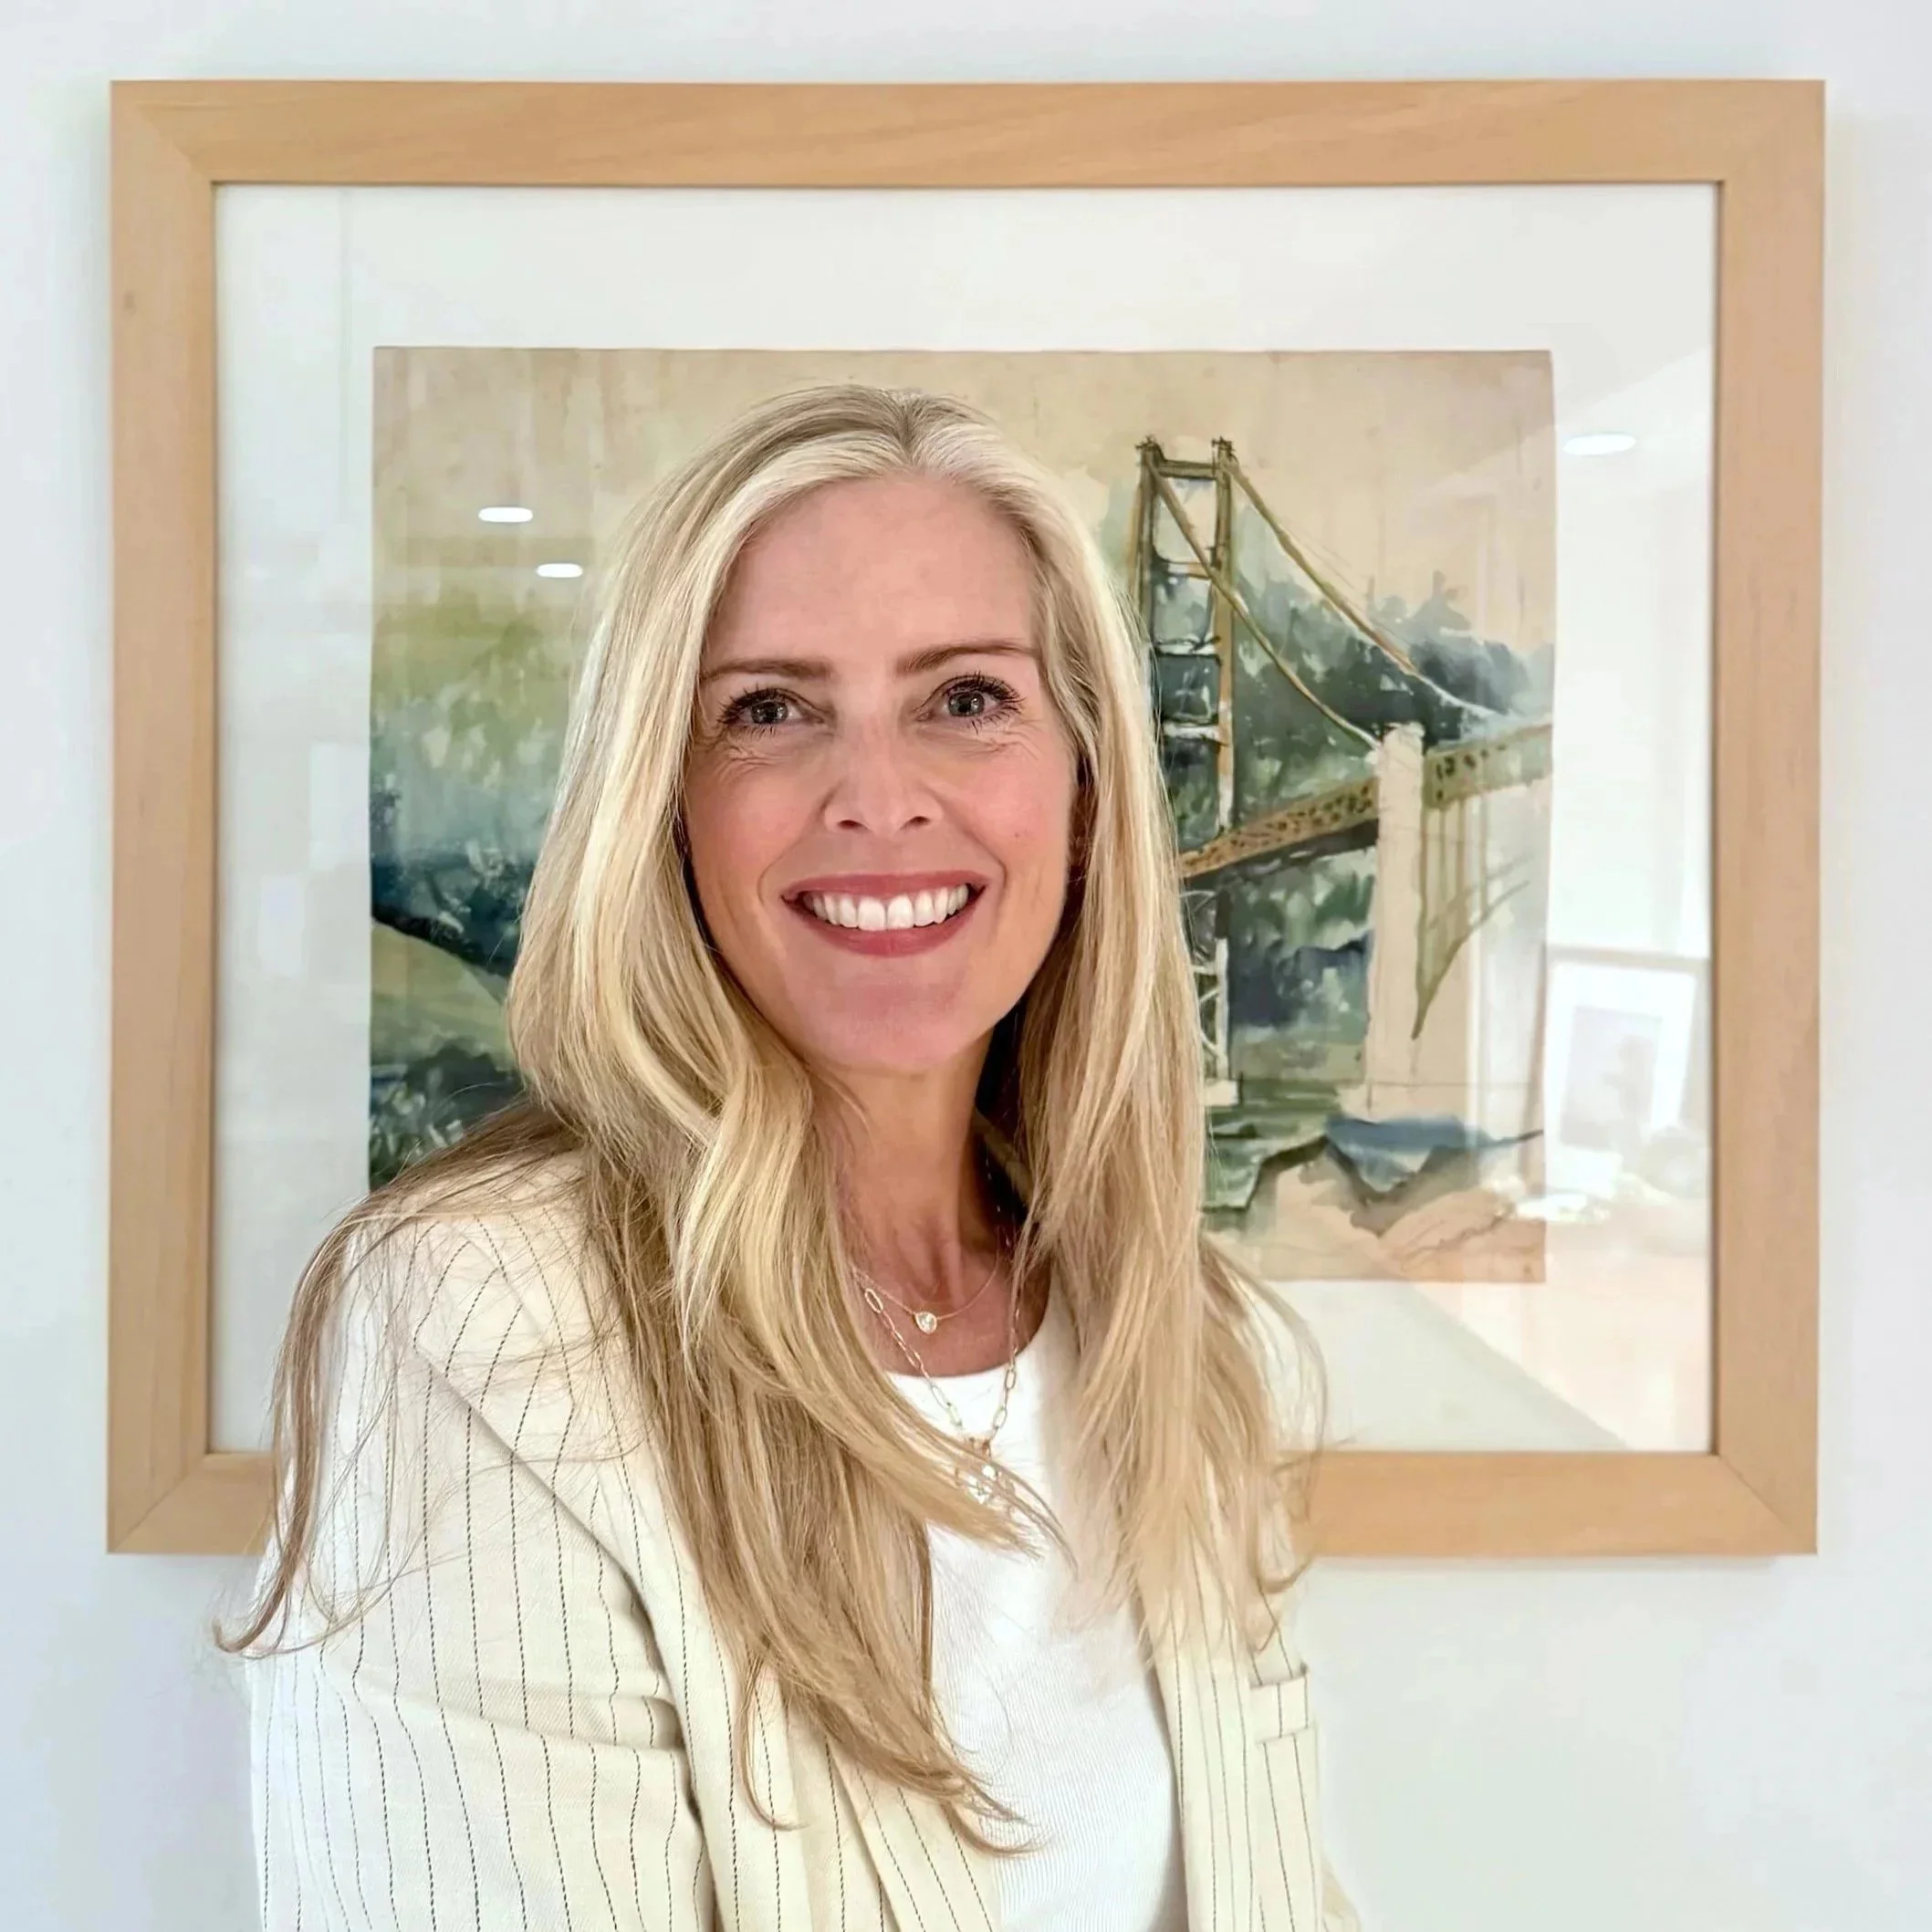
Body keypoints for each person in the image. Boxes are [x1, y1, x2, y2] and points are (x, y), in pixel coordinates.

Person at [226, 383, 1358, 1932]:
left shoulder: (1175, 1334)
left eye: (966, 698)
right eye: (768, 711)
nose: (878, 800)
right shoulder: (479, 1329)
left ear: (1087, 793)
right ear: (667, 808)